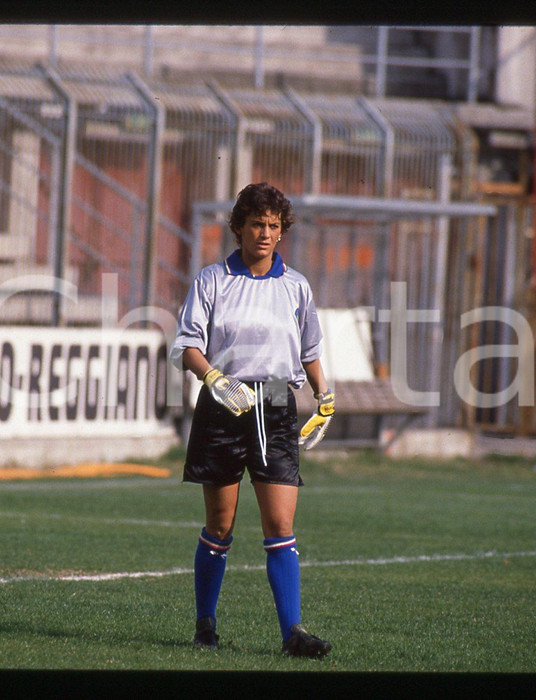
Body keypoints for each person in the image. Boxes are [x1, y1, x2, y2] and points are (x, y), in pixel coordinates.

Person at [170, 182, 335, 658]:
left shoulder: (296, 286)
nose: (265, 233)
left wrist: (324, 397)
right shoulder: (211, 280)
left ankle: (293, 633)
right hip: (224, 404)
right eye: (257, 224)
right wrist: (215, 379)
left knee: (280, 522)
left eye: (273, 226)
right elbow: (187, 348)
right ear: (239, 226)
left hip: (278, 405)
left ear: (282, 232)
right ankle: (205, 626)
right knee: (220, 525)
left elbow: (309, 352)